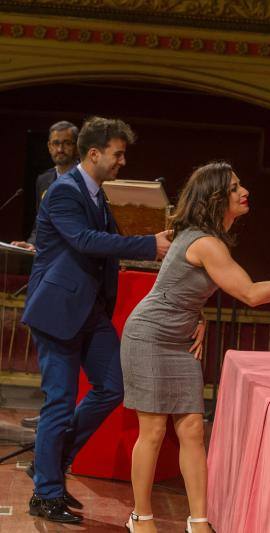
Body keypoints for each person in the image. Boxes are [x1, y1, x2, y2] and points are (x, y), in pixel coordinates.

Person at [120, 161, 270, 533]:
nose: (243, 191)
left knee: (191, 429)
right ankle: (140, 518)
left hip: (180, 338)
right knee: (152, 431)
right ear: (217, 197)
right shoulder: (205, 242)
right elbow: (250, 294)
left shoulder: (205, 239)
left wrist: (198, 316)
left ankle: (199, 521)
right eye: (234, 188)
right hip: (150, 337)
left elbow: (182, 288)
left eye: (241, 184)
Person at [21, 117, 172, 524]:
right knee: (60, 402)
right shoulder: (63, 193)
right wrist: (148, 245)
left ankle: (49, 464)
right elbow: (86, 242)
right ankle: (46, 494)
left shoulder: (97, 195)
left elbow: (105, 243)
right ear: (94, 153)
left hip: (90, 311)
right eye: (117, 154)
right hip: (57, 311)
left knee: (113, 387)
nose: (122, 161)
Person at [12, 120, 79, 251]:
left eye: (67, 143)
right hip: (48, 256)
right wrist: (32, 243)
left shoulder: (87, 177)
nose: (60, 149)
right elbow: (40, 222)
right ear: (49, 147)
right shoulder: (43, 180)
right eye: (56, 143)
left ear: (76, 146)